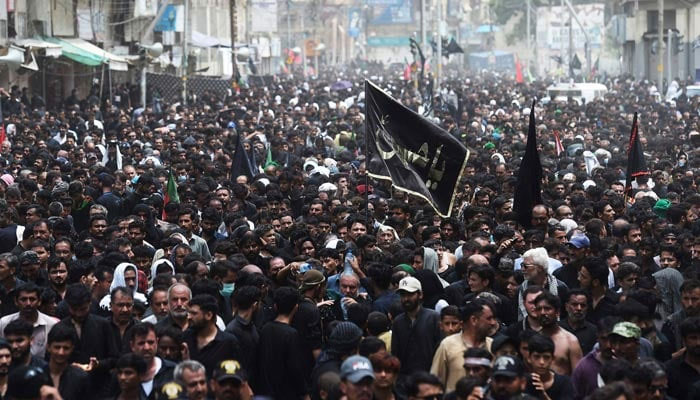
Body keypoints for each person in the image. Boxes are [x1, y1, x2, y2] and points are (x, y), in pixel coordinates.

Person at [431, 299, 497, 391]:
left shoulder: (493, 346)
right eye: (489, 318)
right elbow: (435, 384)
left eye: (493, 318)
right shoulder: (447, 345)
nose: (493, 323)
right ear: (474, 320)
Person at [255, 286, 307, 399]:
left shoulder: (265, 328)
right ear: (295, 307)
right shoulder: (291, 334)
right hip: (286, 393)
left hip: (265, 391)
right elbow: (295, 368)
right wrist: (304, 393)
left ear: (275, 306)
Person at [392, 276, 441, 382]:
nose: (406, 299)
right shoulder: (398, 322)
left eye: (410, 294)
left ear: (420, 295)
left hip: (429, 377)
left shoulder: (434, 318)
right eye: (403, 295)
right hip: (405, 380)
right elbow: (395, 353)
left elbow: (440, 350)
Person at [183, 294, 241, 379]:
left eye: (194, 313)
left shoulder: (228, 342)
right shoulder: (186, 337)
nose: (189, 317)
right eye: (189, 313)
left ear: (209, 315)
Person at [0, 282, 58, 358]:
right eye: (23, 299)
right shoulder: (5, 322)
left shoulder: (51, 324)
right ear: (16, 301)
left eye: (32, 299)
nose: (28, 303)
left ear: (39, 301)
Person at [534, 292, 583, 375]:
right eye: (539, 309)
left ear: (557, 312)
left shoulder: (570, 341)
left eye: (547, 308)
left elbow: (578, 377)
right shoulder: (533, 339)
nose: (542, 313)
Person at [128, 322, 175, 399]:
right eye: (141, 343)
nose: (146, 347)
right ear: (132, 346)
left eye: (150, 342)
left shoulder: (172, 371)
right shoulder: (123, 374)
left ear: (157, 342)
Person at [523, 334, 574, 400]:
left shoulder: (565, 383)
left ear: (552, 359)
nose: (542, 362)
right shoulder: (522, 382)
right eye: (537, 357)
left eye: (546, 357)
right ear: (529, 358)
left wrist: (544, 396)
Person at [45, 323, 89, 399]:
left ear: (72, 349)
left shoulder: (81, 378)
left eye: (66, 348)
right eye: (57, 347)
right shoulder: (36, 374)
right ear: (48, 347)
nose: (61, 352)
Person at [560, 289, 598, 355]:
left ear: (587, 308)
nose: (579, 308)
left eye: (583, 305)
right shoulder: (558, 328)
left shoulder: (594, 331)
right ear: (566, 306)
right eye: (574, 304)